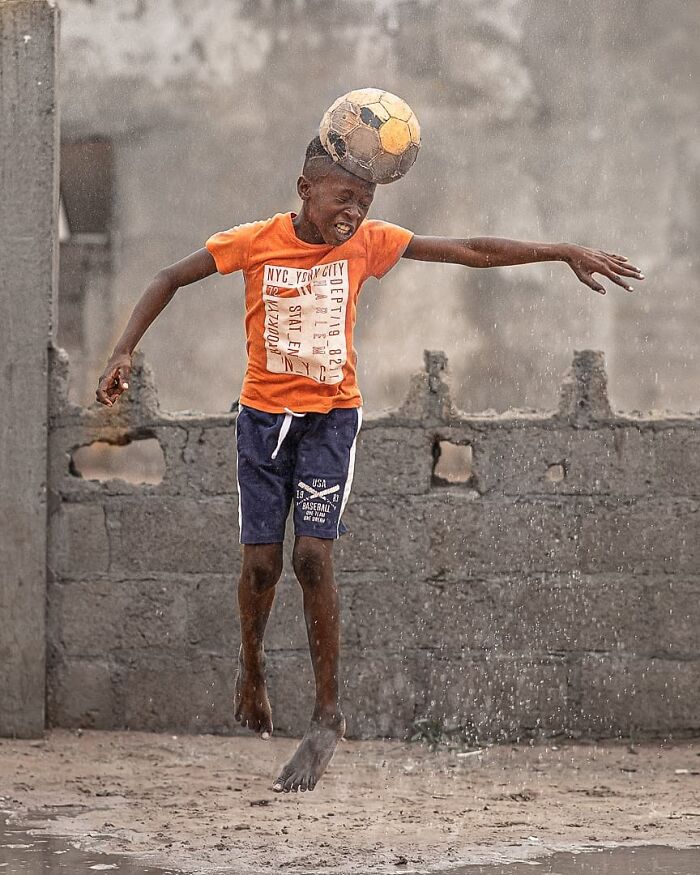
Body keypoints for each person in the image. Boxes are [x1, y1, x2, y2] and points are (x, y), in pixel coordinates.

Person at [96, 134, 644, 793]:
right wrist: (124, 348)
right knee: (262, 565)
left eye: (367, 200)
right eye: (344, 198)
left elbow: (468, 250)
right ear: (305, 191)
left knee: (313, 559)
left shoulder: (368, 244)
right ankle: (251, 668)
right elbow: (169, 277)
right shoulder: (255, 241)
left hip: (331, 422)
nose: (354, 212)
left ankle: (327, 716)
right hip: (263, 424)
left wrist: (560, 250)